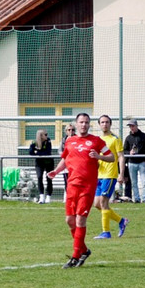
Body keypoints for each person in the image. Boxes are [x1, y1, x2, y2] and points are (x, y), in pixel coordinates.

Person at [48, 113, 113, 268]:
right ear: (76, 124)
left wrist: (99, 156)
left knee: (80, 220)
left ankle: (75, 256)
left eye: (86, 122)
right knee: (69, 221)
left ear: (89, 124)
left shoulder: (96, 141)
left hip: (88, 186)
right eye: (81, 122)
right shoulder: (69, 141)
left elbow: (111, 157)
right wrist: (56, 171)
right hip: (72, 185)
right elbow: (65, 159)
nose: (83, 125)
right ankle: (83, 250)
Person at [93, 115, 127, 239]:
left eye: (107, 122)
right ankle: (121, 221)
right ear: (99, 124)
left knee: (103, 202)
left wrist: (121, 174)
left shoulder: (115, 139)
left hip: (110, 175)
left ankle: (106, 232)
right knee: (97, 204)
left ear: (110, 124)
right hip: (98, 175)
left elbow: (121, 157)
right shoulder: (97, 139)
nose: (105, 124)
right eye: (102, 122)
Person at [124, 119, 145, 203]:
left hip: (142, 163)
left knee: (144, 182)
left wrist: (144, 159)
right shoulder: (128, 138)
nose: (131, 128)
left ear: (136, 126)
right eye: (130, 126)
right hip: (131, 163)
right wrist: (130, 153)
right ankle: (137, 198)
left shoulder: (144, 136)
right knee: (134, 183)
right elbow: (124, 150)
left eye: (132, 126)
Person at [29, 129, 54, 204]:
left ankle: (48, 197)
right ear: (41, 136)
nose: (47, 136)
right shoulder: (34, 142)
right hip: (39, 162)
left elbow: (48, 152)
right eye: (45, 134)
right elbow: (30, 152)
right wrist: (39, 153)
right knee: (39, 177)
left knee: (49, 178)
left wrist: (37, 152)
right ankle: (41, 196)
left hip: (48, 162)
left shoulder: (48, 141)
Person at [58, 123, 75, 194]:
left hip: (75, 163)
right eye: (69, 130)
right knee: (66, 180)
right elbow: (59, 150)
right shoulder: (64, 140)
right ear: (66, 131)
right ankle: (67, 196)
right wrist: (63, 155)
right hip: (66, 163)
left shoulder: (77, 138)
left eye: (73, 130)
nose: (71, 131)